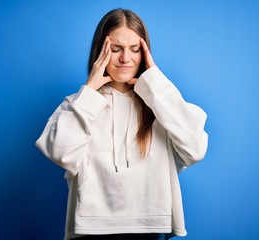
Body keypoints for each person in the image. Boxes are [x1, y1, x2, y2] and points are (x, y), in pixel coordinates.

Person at [36, 8, 208, 240]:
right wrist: (89, 92)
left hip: (149, 226)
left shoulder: (161, 105)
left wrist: (155, 84)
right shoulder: (78, 103)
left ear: (145, 53)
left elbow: (195, 149)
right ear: (101, 52)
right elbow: (60, 152)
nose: (125, 58)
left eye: (134, 49)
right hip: (92, 228)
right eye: (115, 49)